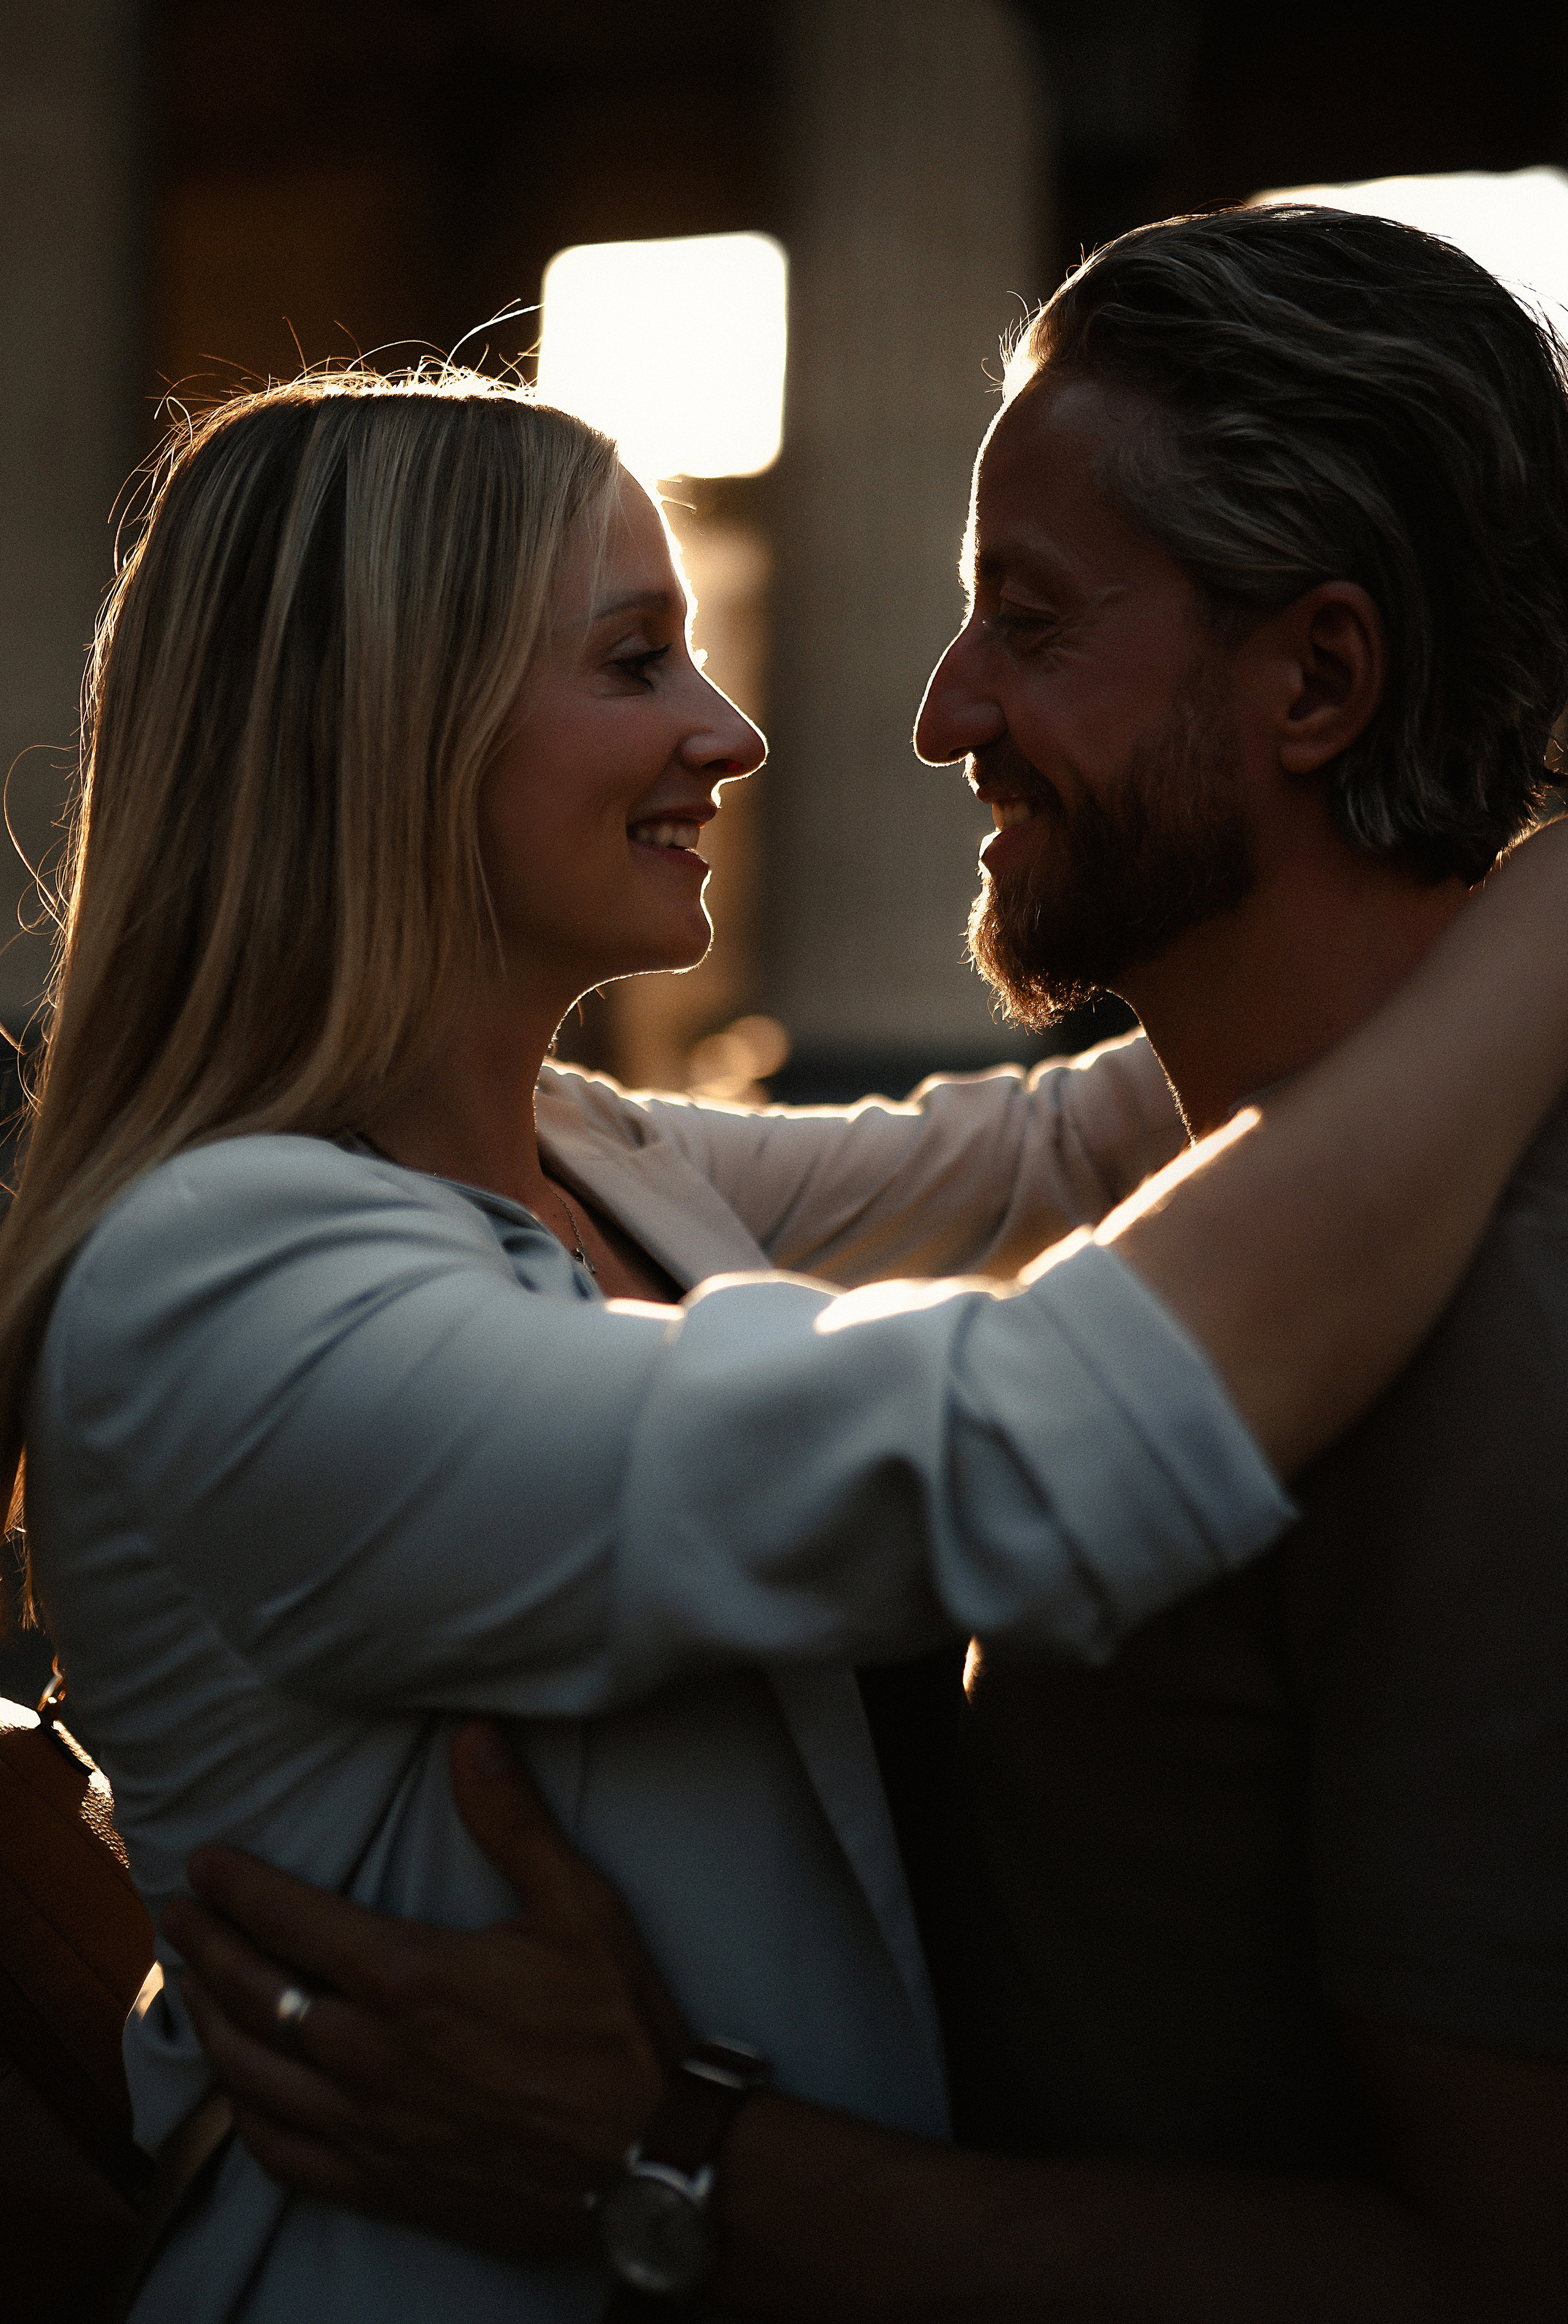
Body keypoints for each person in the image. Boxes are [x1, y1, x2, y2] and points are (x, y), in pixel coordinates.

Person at [10, 317, 1568, 2322]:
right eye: (632, 658)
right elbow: (1019, 1443)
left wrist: (1402, 859)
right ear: (387, 724)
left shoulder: (594, 1159)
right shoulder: (219, 1293)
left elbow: (1066, 1144)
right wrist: (1547, 927)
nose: (737, 730)